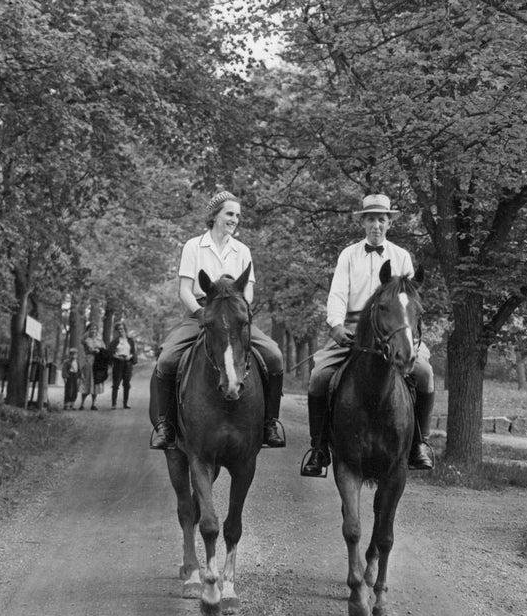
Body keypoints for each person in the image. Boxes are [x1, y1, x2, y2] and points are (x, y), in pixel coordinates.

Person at [300, 192, 435, 477]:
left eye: (382, 219)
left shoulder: (402, 257)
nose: (376, 225)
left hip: (395, 331)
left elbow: (411, 302)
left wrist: (409, 335)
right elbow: (337, 294)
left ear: (389, 223)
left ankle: (418, 444)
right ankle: (319, 447)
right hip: (354, 330)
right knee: (318, 377)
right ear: (363, 223)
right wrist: (336, 325)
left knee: (423, 373)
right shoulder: (348, 255)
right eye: (371, 219)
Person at [149, 191, 286, 450]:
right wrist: (203, 316)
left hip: (235, 317)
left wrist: (240, 314)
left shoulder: (242, 250)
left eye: (237, 215)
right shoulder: (193, 246)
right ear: (214, 216)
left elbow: (248, 292)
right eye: (229, 214)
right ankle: (166, 425)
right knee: (166, 359)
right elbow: (185, 290)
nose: (235, 219)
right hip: (201, 313)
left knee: (275, 356)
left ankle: (269, 423)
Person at [108, 322, 137, 409]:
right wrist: (117, 357)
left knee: (127, 384)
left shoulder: (130, 340)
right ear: (117, 331)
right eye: (118, 329)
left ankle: (125, 403)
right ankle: (114, 404)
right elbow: (111, 353)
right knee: (116, 384)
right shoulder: (115, 341)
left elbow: (133, 352)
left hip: (128, 364)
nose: (120, 330)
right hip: (118, 363)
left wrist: (130, 356)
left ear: (125, 329)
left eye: (122, 328)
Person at [79, 323, 106, 410]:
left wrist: (100, 350)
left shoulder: (100, 340)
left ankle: (93, 404)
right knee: (87, 380)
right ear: (88, 330)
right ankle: (82, 404)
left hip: (98, 362)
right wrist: (97, 349)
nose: (93, 330)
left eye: (95, 329)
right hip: (89, 361)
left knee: (96, 381)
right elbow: (91, 349)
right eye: (91, 329)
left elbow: (104, 349)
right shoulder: (87, 340)